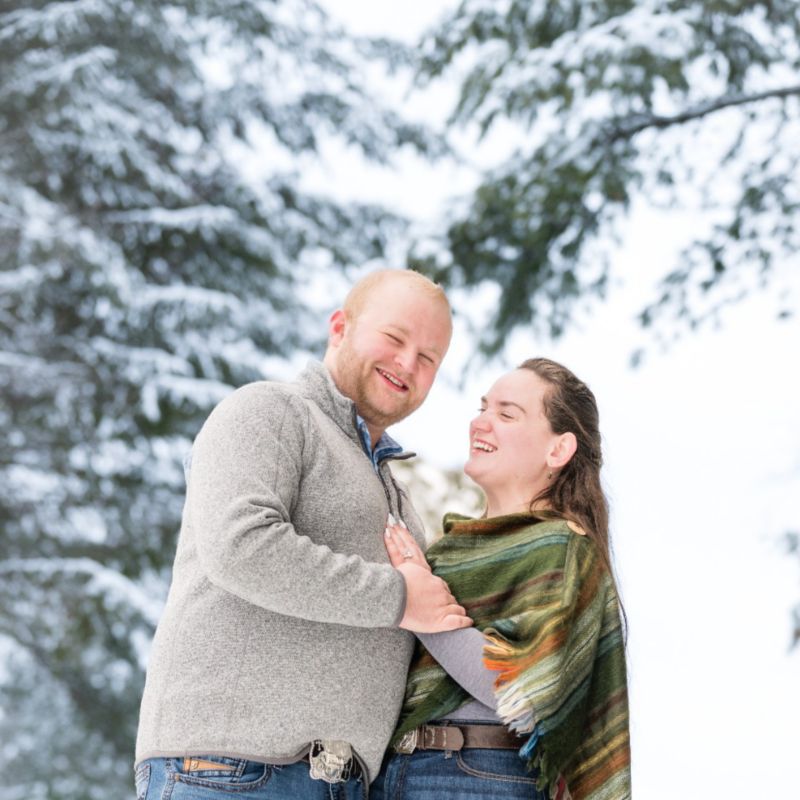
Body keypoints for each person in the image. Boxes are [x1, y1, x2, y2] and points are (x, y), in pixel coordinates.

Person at [133, 269, 473, 800]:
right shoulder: (269, 411)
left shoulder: (395, 494)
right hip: (234, 771)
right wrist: (401, 597)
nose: (408, 363)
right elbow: (241, 546)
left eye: (428, 357)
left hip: (337, 783)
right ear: (340, 327)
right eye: (394, 337)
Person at [374, 357, 631, 800]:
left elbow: (523, 694)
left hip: (480, 776)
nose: (480, 422)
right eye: (482, 408)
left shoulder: (563, 549)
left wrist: (421, 605)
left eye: (507, 414)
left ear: (558, 450)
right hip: (394, 773)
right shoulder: (446, 552)